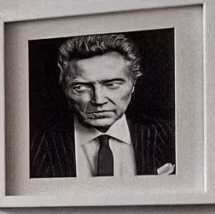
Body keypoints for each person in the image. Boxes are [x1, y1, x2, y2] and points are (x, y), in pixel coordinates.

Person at [31, 32, 174, 178]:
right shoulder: (33, 147)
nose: (99, 100)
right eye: (81, 87)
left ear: (133, 84)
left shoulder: (171, 137)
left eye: (112, 84)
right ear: (64, 88)